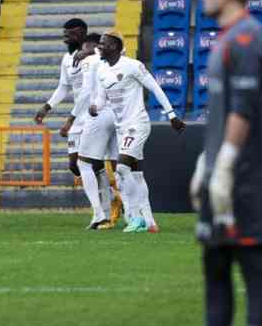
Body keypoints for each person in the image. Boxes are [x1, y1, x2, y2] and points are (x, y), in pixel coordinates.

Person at [190, 0, 262, 326]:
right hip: (218, 172)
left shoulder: (246, 37)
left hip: (240, 177)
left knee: (253, 269)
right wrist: (204, 163)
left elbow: (242, 110)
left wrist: (224, 165)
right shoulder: (227, 38)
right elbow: (224, 112)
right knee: (216, 272)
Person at [90, 31, 186, 233]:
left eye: (103, 44)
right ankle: (150, 222)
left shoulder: (132, 66)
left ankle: (135, 218)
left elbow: (155, 88)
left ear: (114, 47)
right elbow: (101, 99)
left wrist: (171, 115)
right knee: (137, 174)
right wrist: (95, 107)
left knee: (121, 170)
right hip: (121, 128)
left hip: (138, 123)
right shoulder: (101, 71)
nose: (99, 47)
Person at [69, 33, 118, 229]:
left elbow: (86, 92)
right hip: (119, 115)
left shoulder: (89, 61)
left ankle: (99, 213)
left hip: (97, 114)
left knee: (83, 163)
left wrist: (70, 118)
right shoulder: (118, 59)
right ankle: (134, 215)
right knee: (117, 168)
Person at [33, 19, 87, 189]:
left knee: (92, 163)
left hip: (95, 114)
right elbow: (63, 87)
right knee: (74, 165)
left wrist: (69, 120)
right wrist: (46, 107)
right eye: (65, 34)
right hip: (77, 117)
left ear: (80, 34)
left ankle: (105, 204)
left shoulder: (93, 56)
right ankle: (107, 193)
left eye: (70, 35)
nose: (66, 39)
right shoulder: (66, 59)